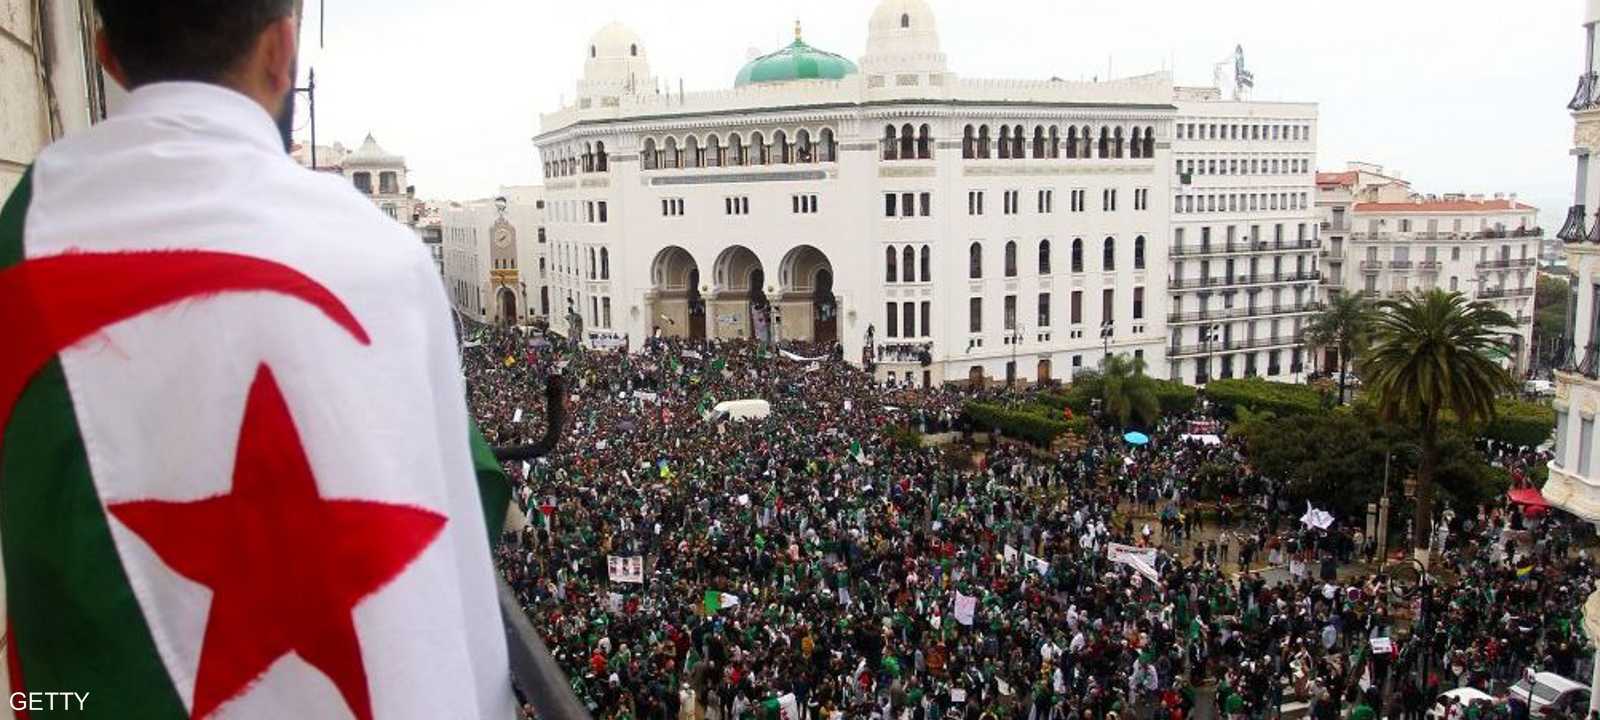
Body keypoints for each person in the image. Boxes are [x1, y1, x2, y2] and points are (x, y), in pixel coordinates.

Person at [0, 2, 513, 717]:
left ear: (106, 54)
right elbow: (456, 549)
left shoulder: (21, 249)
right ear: (282, 49)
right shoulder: (383, 261)